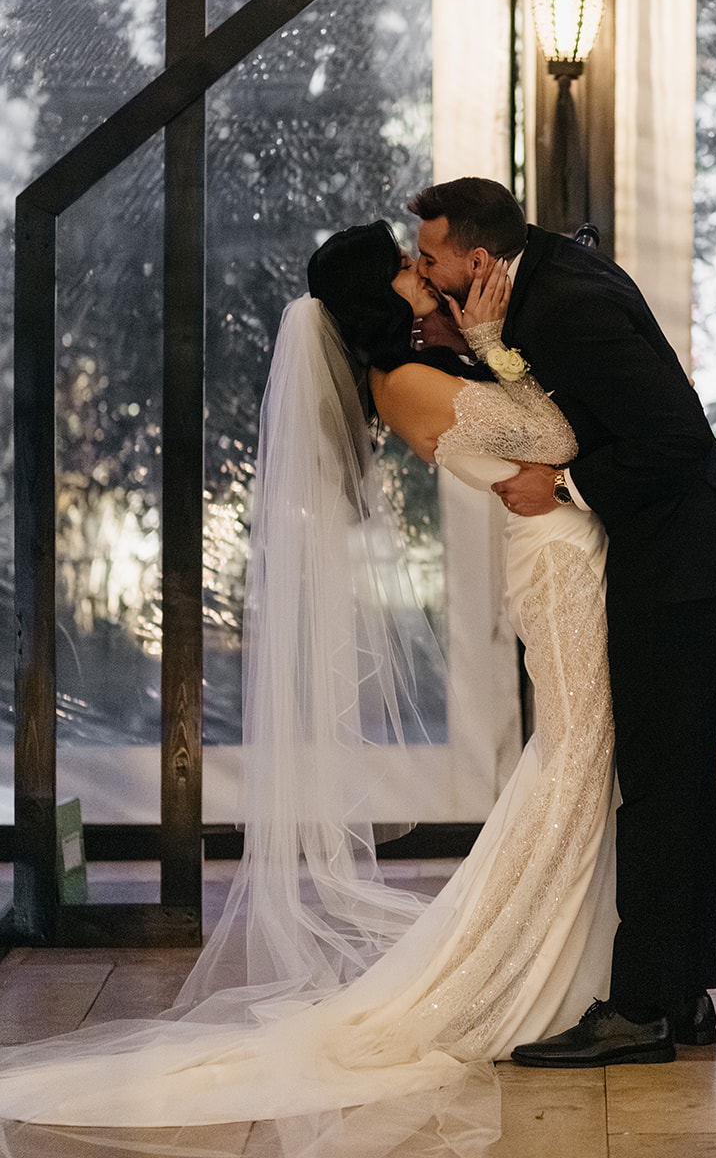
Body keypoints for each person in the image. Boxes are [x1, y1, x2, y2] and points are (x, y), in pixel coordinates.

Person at [0, 221, 621, 1158]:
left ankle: (554, 958)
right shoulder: (405, 382)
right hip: (556, 566)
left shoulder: (414, 367)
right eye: (411, 270)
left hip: (562, 555)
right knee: (575, 755)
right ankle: (503, 967)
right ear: (384, 293)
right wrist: (495, 344)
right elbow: (555, 432)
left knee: (578, 756)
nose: (427, 275)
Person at [409, 177, 716, 1068]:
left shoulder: (565, 303)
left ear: (479, 260)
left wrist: (563, 486)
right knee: (673, 772)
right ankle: (680, 992)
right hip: (673, 544)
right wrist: (491, 349)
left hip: (678, 551)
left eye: (431, 258)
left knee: (656, 776)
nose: (424, 270)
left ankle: (642, 1009)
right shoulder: (541, 279)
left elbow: (674, 433)